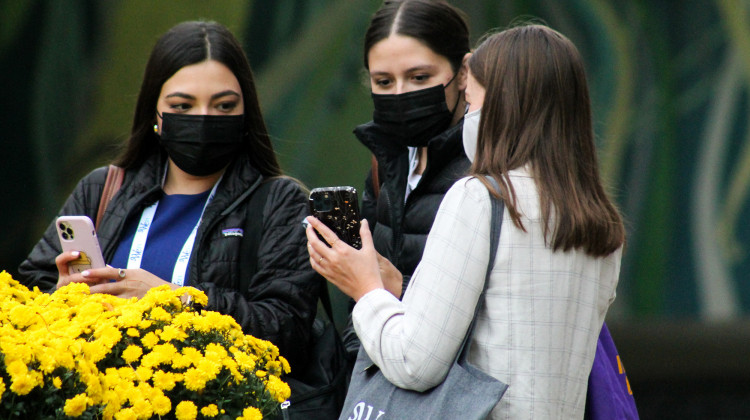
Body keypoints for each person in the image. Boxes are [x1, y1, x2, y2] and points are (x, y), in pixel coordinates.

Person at [306, 23, 626, 419]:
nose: (468, 117)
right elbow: (510, 323)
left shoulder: (481, 195)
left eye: (472, 103)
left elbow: (414, 362)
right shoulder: (599, 221)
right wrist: (397, 288)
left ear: (505, 106)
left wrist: (366, 289)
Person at [17, 21, 320, 370]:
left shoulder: (280, 201)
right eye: (182, 106)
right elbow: (28, 296)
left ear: (245, 113)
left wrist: (177, 301)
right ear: (154, 116)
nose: (203, 118)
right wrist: (63, 293)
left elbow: (288, 330)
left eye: (223, 106)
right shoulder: (102, 188)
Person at [342, 0, 472, 353]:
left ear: (463, 73)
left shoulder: (488, 169)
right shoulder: (386, 159)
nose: (400, 94)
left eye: (419, 77)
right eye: (383, 81)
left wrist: (396, 287)